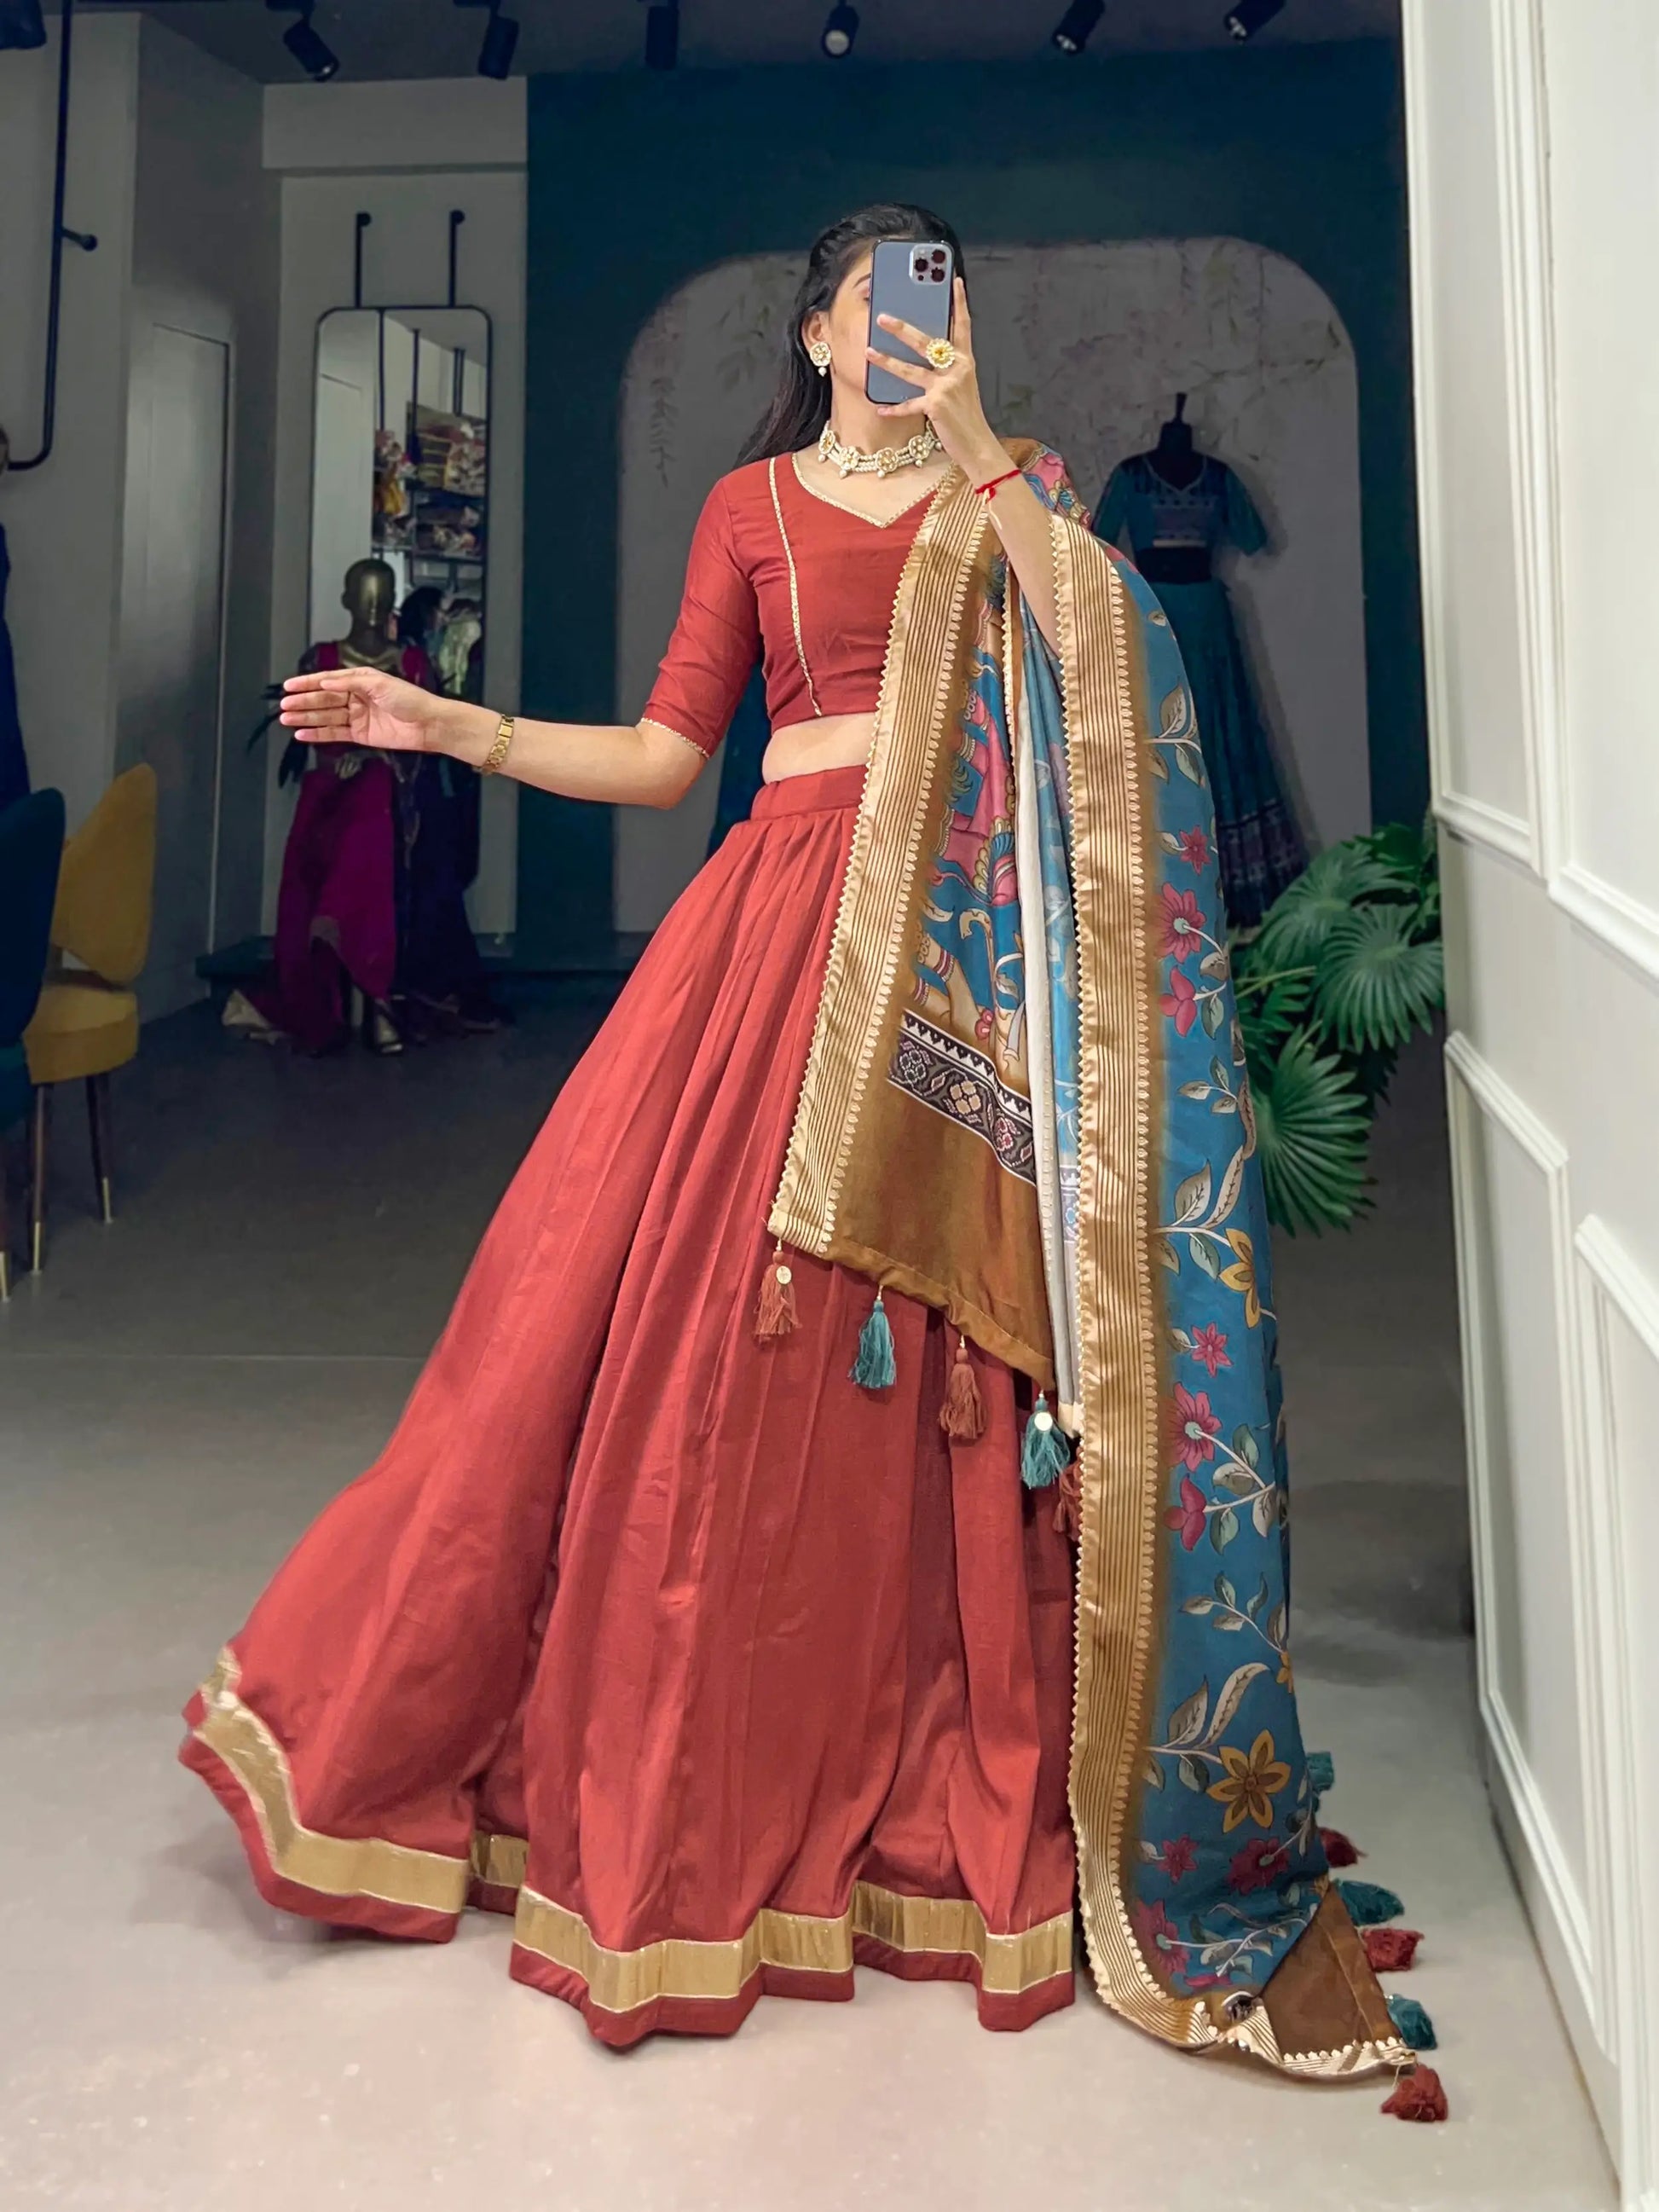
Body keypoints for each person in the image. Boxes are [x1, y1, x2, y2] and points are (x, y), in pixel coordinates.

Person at [179, 206, 1417, 2095]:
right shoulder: (748, 509)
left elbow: (1106, 669)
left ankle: (941, 1781)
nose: (921, 328)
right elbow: (669, 756)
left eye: (950, 301)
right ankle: (702, 1786)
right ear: (822, 333)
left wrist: (983, 445)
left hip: (963, 967)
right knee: (683, 1358)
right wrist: (445, 724)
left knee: (953, 1370)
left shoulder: (1014, 499)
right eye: (887, 304)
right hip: (775, 947)